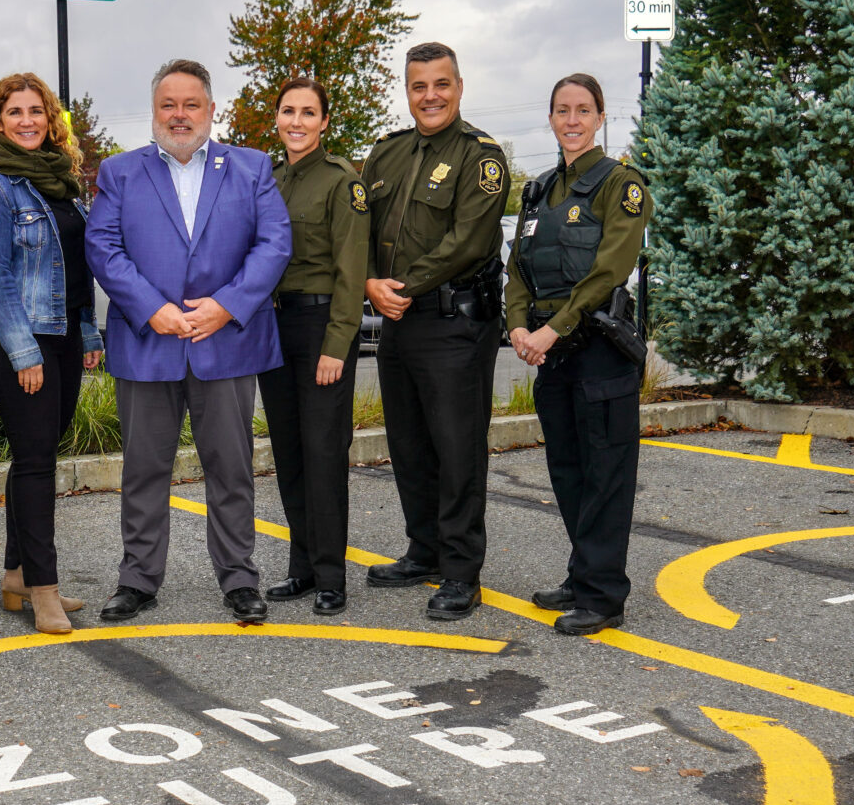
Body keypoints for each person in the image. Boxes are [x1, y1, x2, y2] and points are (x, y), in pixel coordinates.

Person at [86, 58, 291, 623]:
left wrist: (226, 306)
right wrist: (153, 310)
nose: (180, 115)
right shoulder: (120, 172)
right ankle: (138, 580)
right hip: (148, 342)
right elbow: (103, 247)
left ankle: (239, 579)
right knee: (144, 469)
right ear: (154, 112)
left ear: (210, 109)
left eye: (190, 104)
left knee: (231, 467)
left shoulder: (251, 168)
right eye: (168, 105)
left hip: (226, 343)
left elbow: (274, 244)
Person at [361, 41, 510, 621]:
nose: (430, 96)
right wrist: (368, 281)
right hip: (399, 320)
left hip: (452, 322)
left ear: (459, 87)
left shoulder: (481, 156)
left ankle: (460, 571)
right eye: (419, 86)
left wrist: (398, 286)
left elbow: (469, 240)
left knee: (457, 450)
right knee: (409, 446)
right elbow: (361, 229)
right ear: (407, 90)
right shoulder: (386, 154)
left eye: (441, 84)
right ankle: (423, 550)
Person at [506, 73, 652, 635]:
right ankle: (582, 574)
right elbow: (519, 268)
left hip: (598, 350)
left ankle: (604, 596)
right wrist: (518, 325)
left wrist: (552, 331)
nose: (571, 120)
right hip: (551, 353)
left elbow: (610, 270)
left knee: (606, 473)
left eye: (582, 110)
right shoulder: (539, 190)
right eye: (562, 110)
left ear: (599, 118)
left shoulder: (621, 185)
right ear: (551, 118)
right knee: (567, 470)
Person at [0, 73, 104, 634]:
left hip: (65, 332)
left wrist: (88, 332)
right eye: (15, 112)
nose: (27, 121)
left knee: (33, 456)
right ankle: (44, 592)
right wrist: (24, 352)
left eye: (36, 112)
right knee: (38, 462)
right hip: (19, 340)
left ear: (50, 120)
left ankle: (17, 573)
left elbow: (78, 265)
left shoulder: (62, 183)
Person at [258, 78, 372, 616]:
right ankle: (301, 568)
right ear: (276, 118)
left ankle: (331, 577)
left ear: (325, 122)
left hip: (321, 327)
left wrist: (337, 344)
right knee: (289, 453)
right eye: (288, 112)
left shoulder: (341, 182)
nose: (297, 122)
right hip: (273, 330)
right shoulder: (267, 178)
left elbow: (353, 272)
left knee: (324, 454)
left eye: (308, 113)